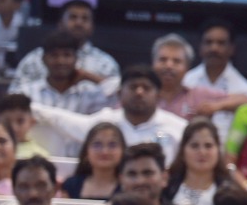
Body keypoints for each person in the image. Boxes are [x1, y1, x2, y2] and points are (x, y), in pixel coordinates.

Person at [32, 66, 188, 160]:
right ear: (119, 94)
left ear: (158, 96)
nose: (139, 93)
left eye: (146, 88)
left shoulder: (179, 128)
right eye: (133, 87)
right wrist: (27, 107)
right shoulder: (106, 122)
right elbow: (61, 119)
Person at [10, 0, 121, 102]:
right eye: (73, 17)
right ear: (60, 24)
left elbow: (120, 98)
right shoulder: (35, 59)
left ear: (92, 27)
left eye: (85, 19)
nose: (79, 23)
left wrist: (89, 77)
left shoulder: (106, 63)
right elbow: (13, 97)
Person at [163, 120, 233, 205]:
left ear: (218, 150)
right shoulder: (167, 189)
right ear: (182, 151)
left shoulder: (230, 192)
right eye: (194, 146)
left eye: (208, 146)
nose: (202, 152)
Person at [11, 157, 79, 205]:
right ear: (14, 190)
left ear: (55, 189)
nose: (33, 194)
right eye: (24, 187)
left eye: (40, 186)